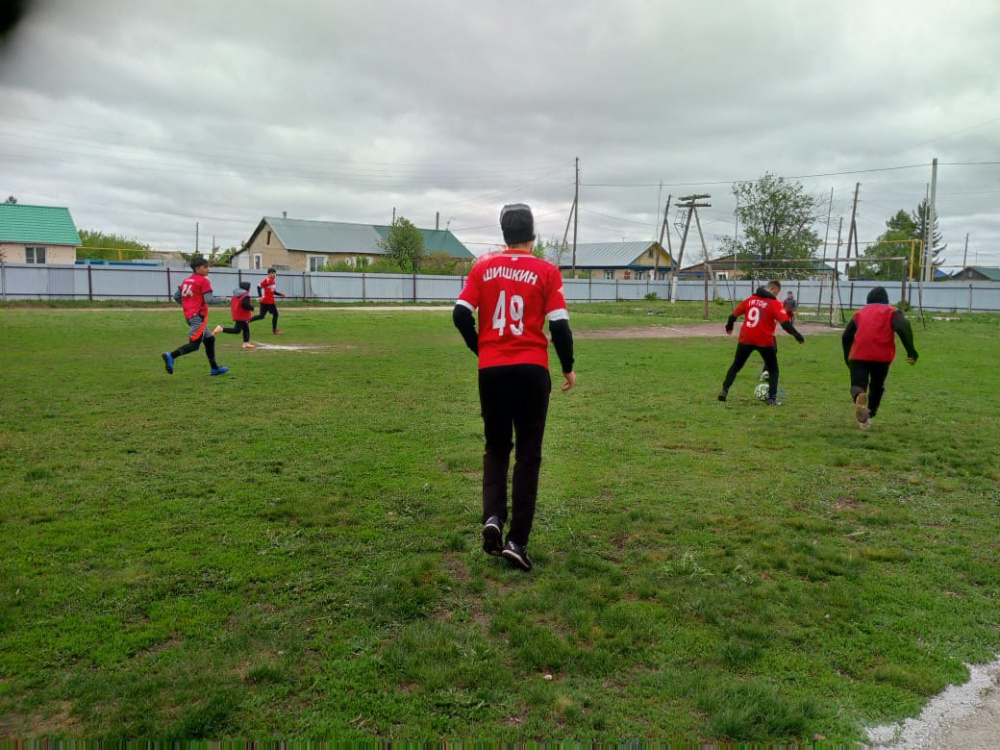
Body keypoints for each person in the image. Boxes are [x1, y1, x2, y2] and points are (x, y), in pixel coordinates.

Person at [453, 203, 576, 572]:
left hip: (492, 370)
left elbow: (460, 313)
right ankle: (516, 541)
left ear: (504, 235)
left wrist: (481, 348)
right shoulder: (547, 271)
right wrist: (568, 367)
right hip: (531, 370)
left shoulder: (483, 267)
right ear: (532, 236)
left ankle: (493, 517)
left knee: (495, 449)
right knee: (528, 455)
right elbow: (560, 326)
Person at [841, 286, 918, 429]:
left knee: (858, 385)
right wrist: (911, 351)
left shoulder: (860, 313)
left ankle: (859, 396)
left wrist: (847, 357)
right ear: (886, 300)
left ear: (868, 300)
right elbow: (903, 325)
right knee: (877, 385)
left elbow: (846, 336)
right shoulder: (891, 312)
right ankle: (869, 415)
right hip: (881, 357)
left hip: (858, 355)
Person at [718, 280, 804, 405]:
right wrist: (798, 336)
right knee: (773, 369)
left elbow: (732, 316)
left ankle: (724, 391)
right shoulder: (774, 303)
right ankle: (772, 399)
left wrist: (729, 327)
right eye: (777, 293)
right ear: (775, 290)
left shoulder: (750, 300)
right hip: (764, 340)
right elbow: (785, 324)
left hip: (746, 338)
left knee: (736, 365)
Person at [162, 258, 228, 376]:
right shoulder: (203, 280)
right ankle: (171, 355)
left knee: (209, 339)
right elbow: (209, 299)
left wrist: (188, 305)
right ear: (197, 269)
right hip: (198, 316)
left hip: (189, 315)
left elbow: (176, 296)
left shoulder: (187, 280)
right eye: (205, 267)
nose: (208, 269)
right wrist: (224, 299)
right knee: (194, 345)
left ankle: (214, 368)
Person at [221, 280, 256, 349]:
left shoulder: (236, 294)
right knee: (237, 330)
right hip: (242, 315)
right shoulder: (246, 295)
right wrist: (252, 308)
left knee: (246, 329)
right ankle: (221, 329)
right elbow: (245, 304)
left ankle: (246, 343)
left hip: (237, 313)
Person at [251, 267, 285, 334]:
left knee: (261, 316)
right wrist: (260, 296)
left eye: (274, 273)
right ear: (269, 274)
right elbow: (258, 286)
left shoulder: (273, 282)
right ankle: (274, 331)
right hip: (269, 302)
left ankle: (247, 321)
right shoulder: (268, 280)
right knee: (276, 314)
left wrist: (280, 294)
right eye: (271, 273)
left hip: (265, 302)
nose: (273, 274)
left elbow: (273, 292)